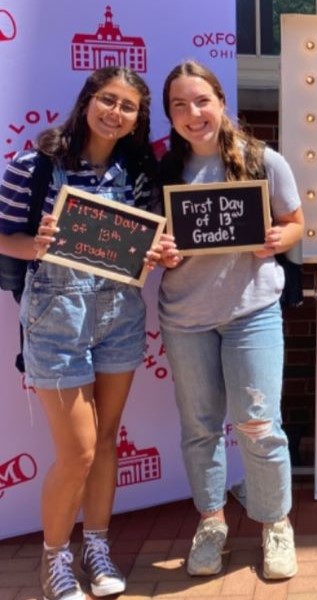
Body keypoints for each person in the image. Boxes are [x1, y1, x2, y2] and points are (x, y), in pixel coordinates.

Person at [0, 67, 168, 600]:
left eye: (128, 106)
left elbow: (145, 240)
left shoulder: (140, 170)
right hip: (56, 316)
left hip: (119, 311)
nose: (114, 112)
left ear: (138, 119)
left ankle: (96, 546)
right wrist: (31, 245)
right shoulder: (35, 164)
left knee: (106, 443)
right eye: (107, 100)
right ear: (88, 100)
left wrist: (160, 250)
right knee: (77, 453)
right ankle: (56, 560)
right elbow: (5, 234)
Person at [157, 60, 304, 580]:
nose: (193, 113)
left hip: (252, 313)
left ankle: (274, 523)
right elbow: (149, 242)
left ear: (221, 102)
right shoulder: (162, 168)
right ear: (170, 114)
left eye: (202, 101)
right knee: (200, 429)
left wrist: (277, 240)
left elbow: (295, 224)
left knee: (260, 426)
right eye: (180, 105)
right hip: (186, 319)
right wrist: (161, 251)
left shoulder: (262, 160)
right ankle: (212, 522)